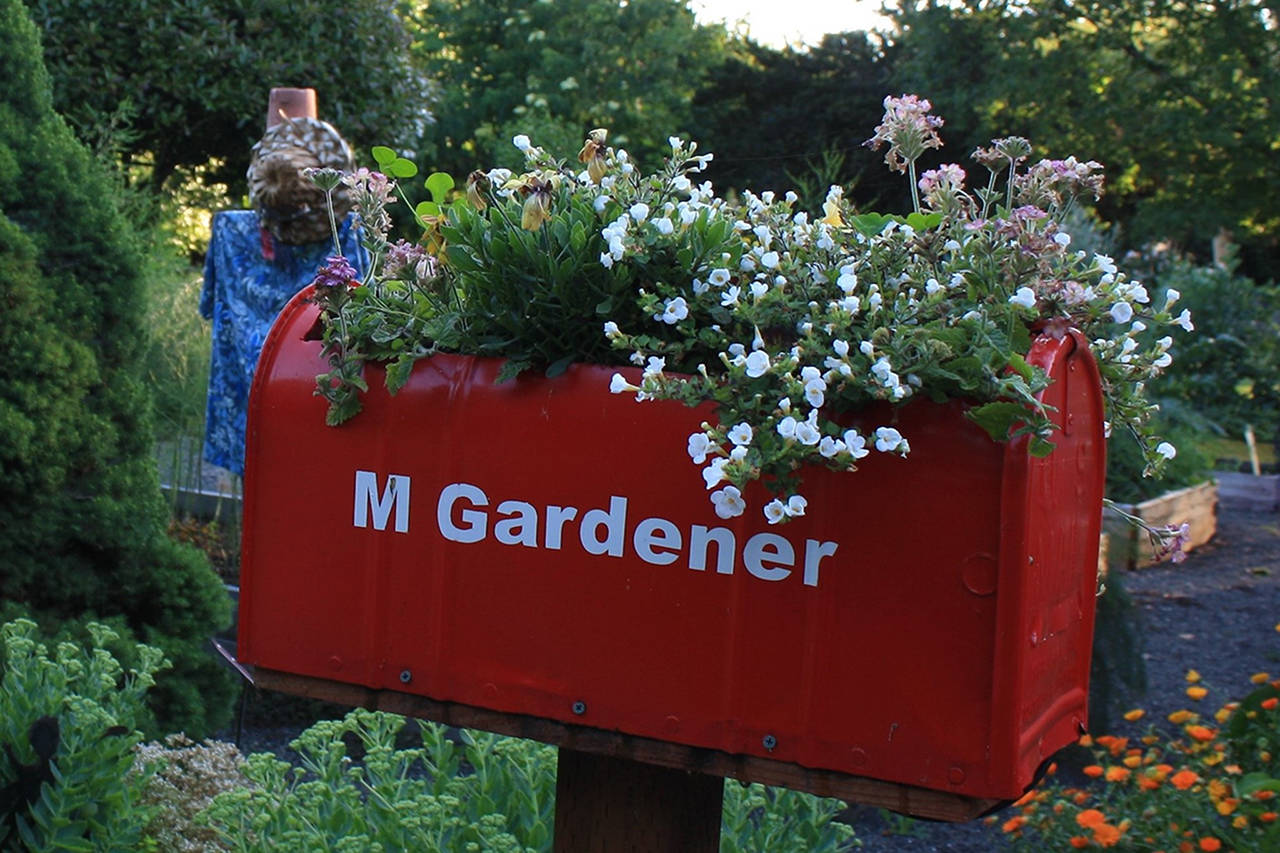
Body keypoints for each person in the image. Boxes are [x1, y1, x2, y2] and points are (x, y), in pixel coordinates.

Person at [199, 88, 367, 483]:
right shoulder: (349, 240)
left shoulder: (231, 233)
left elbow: (209, 308)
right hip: (315, 401)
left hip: (247, 404)